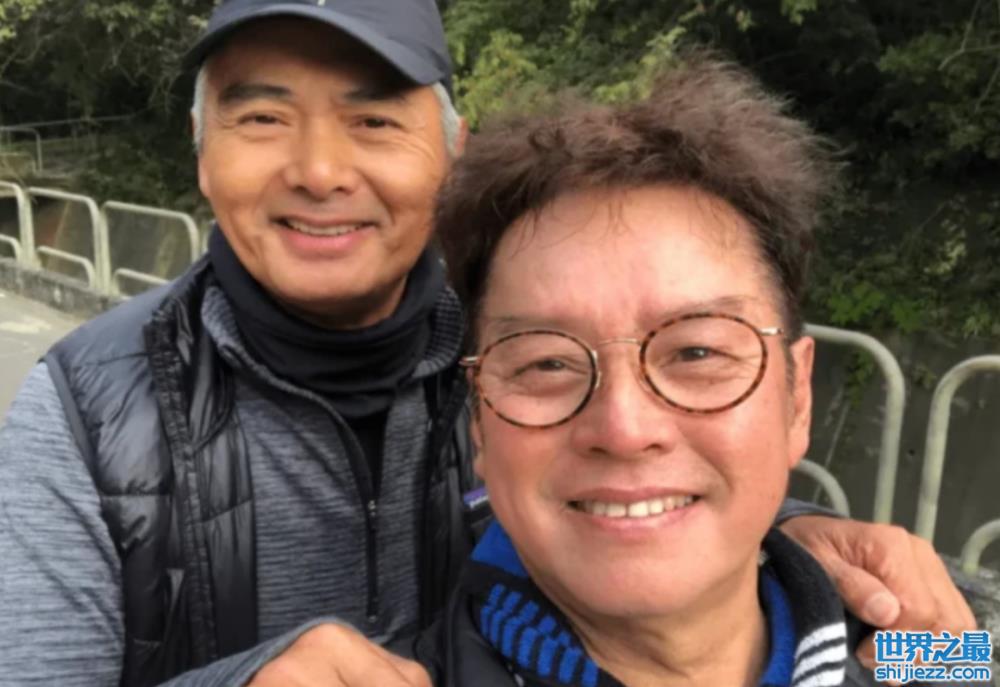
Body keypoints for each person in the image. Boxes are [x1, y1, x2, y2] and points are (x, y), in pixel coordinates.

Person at [0, 2, 976, 686]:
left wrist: (773, 535)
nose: (320, 168)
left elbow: (966, 658)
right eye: (261, 117)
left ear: (450, 146)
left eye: (373, 118)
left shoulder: (883, 640)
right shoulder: (90, 407)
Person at [402, 56, 942, 686]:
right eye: (547, 363)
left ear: (797, 400)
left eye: (696, 354)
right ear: (479, 426)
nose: (624, 429)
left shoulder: (907, 649)